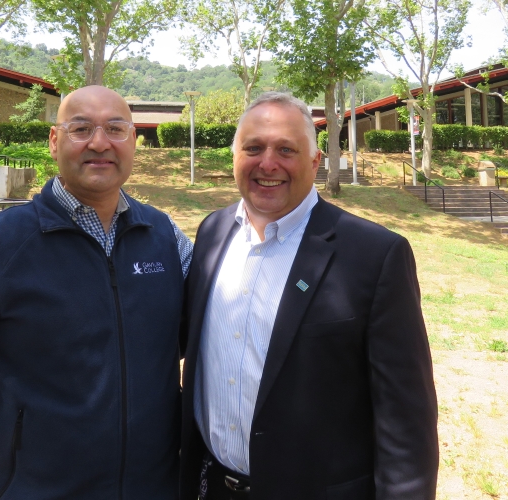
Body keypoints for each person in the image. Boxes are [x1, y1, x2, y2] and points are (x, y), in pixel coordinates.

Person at [0, 86, 192, 500]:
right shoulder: (3, 244)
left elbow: (222, 329)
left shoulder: (165, 237)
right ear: (54, 141)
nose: (100, 143)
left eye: (116, 129)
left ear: (133, 142)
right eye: (81, 128)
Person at [179, 92, 438, 500]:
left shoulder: (374, 255)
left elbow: (406, 419)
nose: (268, 163)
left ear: (315, 163)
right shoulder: (212, 233)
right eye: (253, 148)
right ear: (233, 158)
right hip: (212, 486)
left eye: (286, 149)